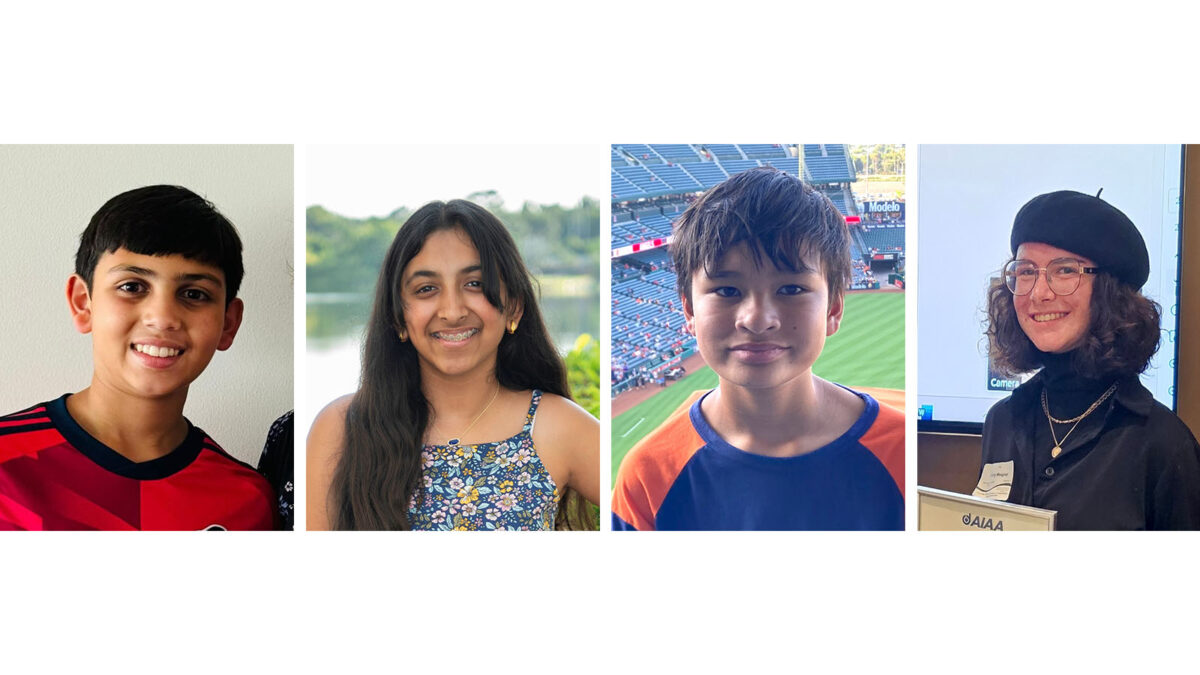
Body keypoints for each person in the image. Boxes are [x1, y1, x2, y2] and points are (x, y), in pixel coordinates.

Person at [611, 168, 904, 531]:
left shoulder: (905, 455)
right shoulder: (647, 476)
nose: (757, 319)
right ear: (688, 310)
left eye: (791, 289)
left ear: (833, 309)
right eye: (727, 290)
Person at [307, 199, 599, 531]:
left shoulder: (556, 426)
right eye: (426, 289)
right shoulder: (342, 428)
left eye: (474, 283)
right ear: (399, 318)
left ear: (514, 307)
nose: (452, 310)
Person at [0, 185, 275, 530]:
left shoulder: (248, 501)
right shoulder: (6, 463)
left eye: (194, 294)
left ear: (228, 323)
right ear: (82, 303)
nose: (162, 318)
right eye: (132, 287)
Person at [977, 189, 1200, 530]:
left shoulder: (1163, 446)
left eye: (1065, 270)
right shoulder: (1002, 421)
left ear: (1111, 291)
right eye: (1025, 272)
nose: (1039, 293)